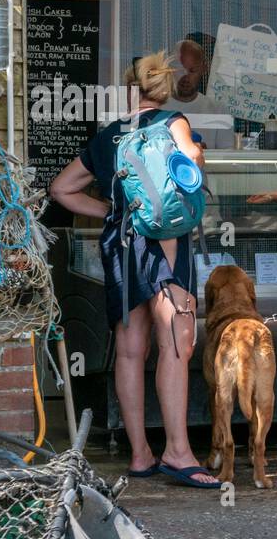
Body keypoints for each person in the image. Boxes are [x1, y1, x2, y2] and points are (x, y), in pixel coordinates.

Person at [49, 52, 219, 488]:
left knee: (129, 349)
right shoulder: (174, 121)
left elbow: (61, 189)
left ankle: (140, 455)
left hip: (121, 245)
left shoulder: (107, 136)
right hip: (165, 243)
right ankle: (179, 451)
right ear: (162, 90)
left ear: (129, 91)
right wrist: (196, 152)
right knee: (176, 344)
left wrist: (108, 210)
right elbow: (192, 164)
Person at [162, 38, 232, 147]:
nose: (185, 77)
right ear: (169, 69)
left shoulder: (219, 110)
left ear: (203, 69)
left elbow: (228, 158)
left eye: (192, 71)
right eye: (180, 70)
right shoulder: (157, 108)